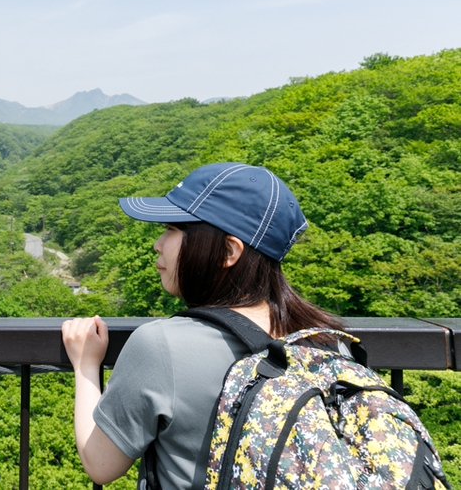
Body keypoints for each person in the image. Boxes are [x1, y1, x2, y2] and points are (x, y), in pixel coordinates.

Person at [61, 162, 341, 490]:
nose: (158, 243)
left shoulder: (161, 346)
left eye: (173, 229)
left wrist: (85, 365)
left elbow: (100, 464)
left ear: (228, 251)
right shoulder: (329, 341)